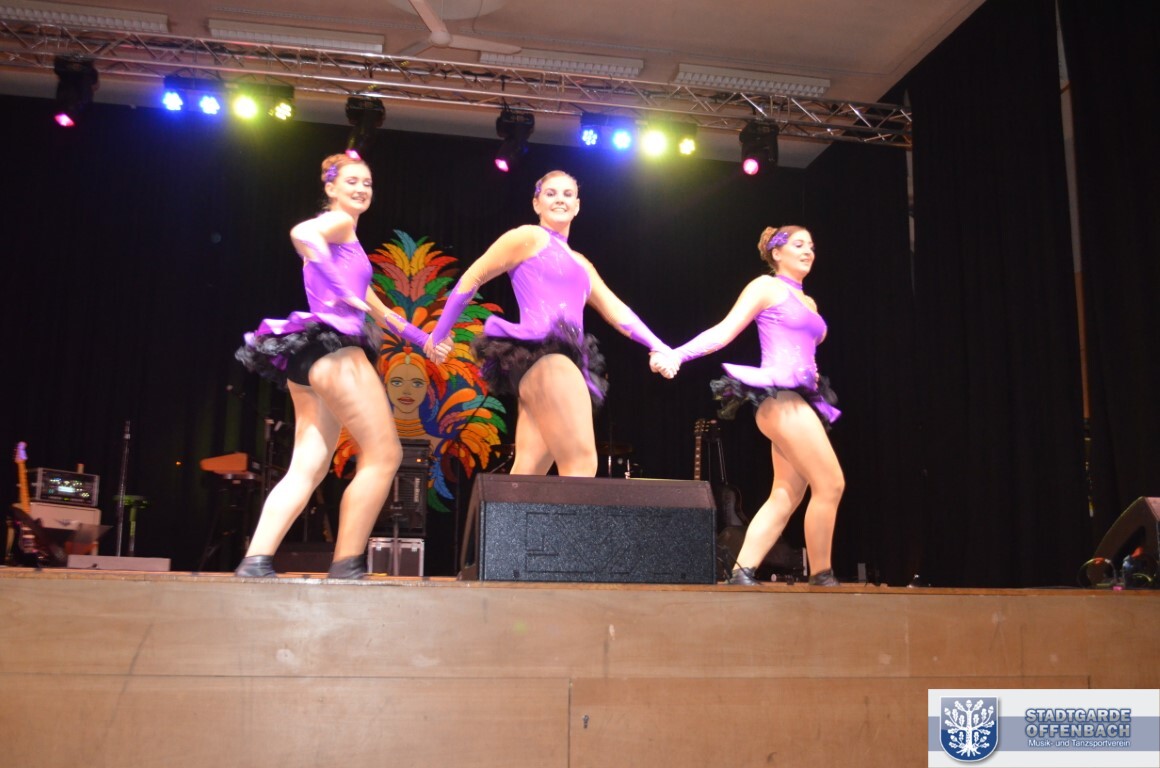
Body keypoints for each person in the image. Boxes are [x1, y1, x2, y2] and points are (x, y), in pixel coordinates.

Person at [233, 150, 450, 579]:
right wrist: (340, 289)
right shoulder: (338, 224)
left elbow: (381, 313)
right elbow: (302, 233)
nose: (362, 189)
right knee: (385, 454)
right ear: (330, 187)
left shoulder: (347, 246)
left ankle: (255, 561)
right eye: (352, 181)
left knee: (308, 466)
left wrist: (427, 342)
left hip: (307, 361)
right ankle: (347, 564)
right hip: (335, 351)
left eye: (367, 183)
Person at [424, 170, 671, 476]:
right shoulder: (528, 237)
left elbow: (616, 310)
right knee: (581, 462)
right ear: (536, 203)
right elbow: (473, 276)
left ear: (577, 206)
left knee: (528, 472)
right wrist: (440, 332)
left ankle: (509, 511)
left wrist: (658, 345)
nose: (560, 200)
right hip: (548, 359)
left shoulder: (581, 263)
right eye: (550, 193)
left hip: (550, 368)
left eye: (568, 194)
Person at [651, 225, 844, 586]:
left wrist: (811, 370)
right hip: (778, 397)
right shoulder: (766, 287)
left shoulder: (810, 303)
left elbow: (803, 347)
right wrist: (676, 355)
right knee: (831, 483)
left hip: (799, 400)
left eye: (811, 246)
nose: (808, 251)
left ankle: (742, 572)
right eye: (798, 244)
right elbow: (723, 332)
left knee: (787, 493)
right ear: (776, 253)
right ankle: (822, 577)